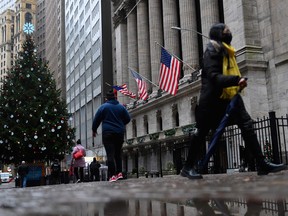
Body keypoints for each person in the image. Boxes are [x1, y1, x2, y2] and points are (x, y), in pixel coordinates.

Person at [180, 23, 286, 180]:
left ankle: (261, 163)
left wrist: (237, 83)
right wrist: (236, 80)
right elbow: (214, 76)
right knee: (201, 133)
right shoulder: (212, 50)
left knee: (247, 126)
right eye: (225, 30)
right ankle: (188, 167)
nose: (229, 32)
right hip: (212, 101)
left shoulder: (228, 51)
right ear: (217, 34)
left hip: (231, 97)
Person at [92, 89, 131, 182]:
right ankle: (119, 173)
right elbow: (128, 118)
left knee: (110, 155)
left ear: (106, 99)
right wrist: (121, 124)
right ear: (115, 97)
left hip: (108, 133)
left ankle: (112, 175)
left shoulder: (103, 107)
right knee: (118, 153)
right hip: (119, 133)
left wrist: (94, 129)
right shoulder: (121, 107)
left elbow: (96, 119)